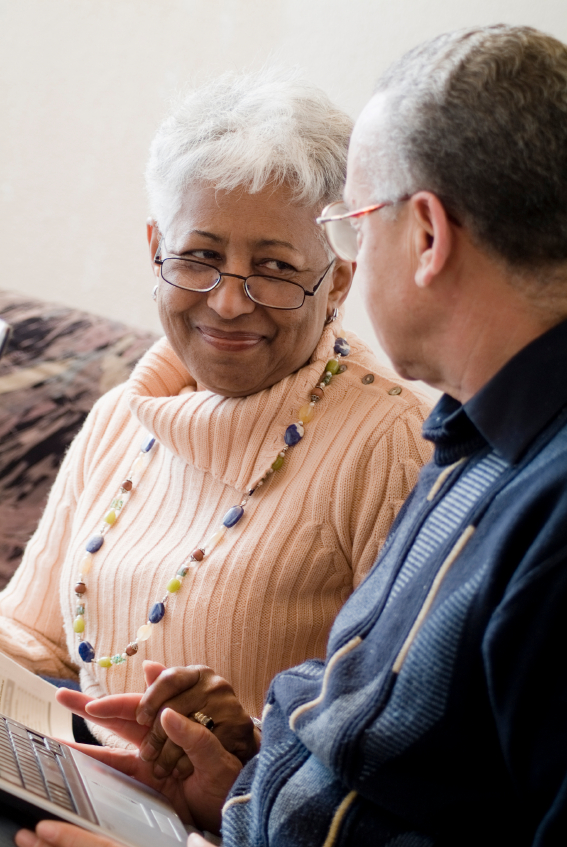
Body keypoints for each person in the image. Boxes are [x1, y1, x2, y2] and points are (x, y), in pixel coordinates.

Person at [16, 22, 567, 847]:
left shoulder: (484, 471)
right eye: (199, 256)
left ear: (423, 236)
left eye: (353, 224)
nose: (230, 301)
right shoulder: (473, 444)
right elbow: (366, 747)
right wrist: (233, 786)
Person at [0, 68, 432, 755]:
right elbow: (37, 641)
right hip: (95, 794)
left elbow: (407, 734)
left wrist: (244, 747)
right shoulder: (124, 415)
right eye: (199, 256)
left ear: (336, 281)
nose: (228, 301)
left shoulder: (393, 439)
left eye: (275, 268)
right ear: (154, 251)